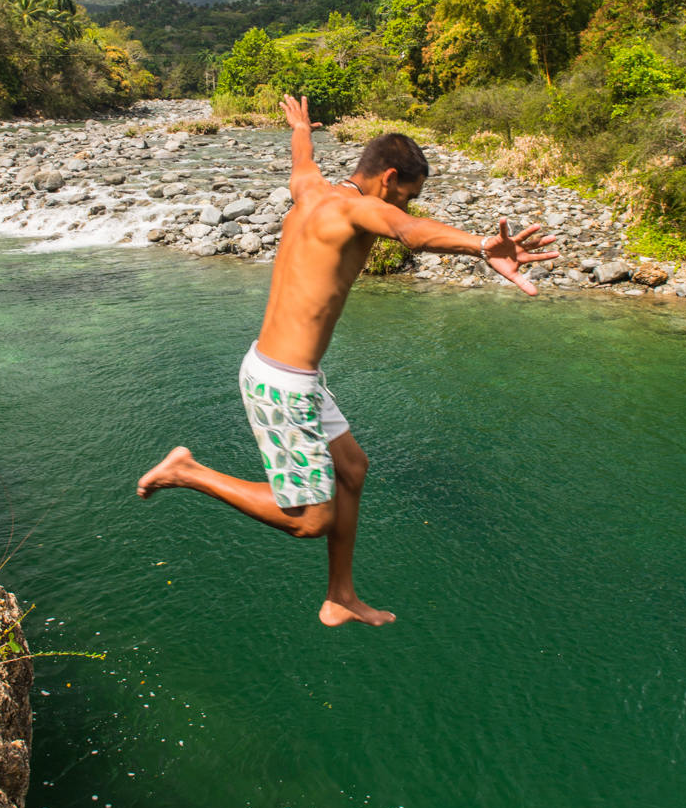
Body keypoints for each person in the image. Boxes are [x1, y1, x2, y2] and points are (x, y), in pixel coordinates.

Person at [138, 94, 558, 627]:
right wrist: (481, 246)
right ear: (388, 178)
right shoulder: (361, 209)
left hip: (294, 374)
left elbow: (302, 160)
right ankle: (187, 471)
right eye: (407, 196)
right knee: (309, 520)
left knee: (352, 469)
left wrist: (300, 128)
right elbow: (410, 232)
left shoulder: (311, 190)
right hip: (281, 384)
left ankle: (340, 596)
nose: (406, 207)